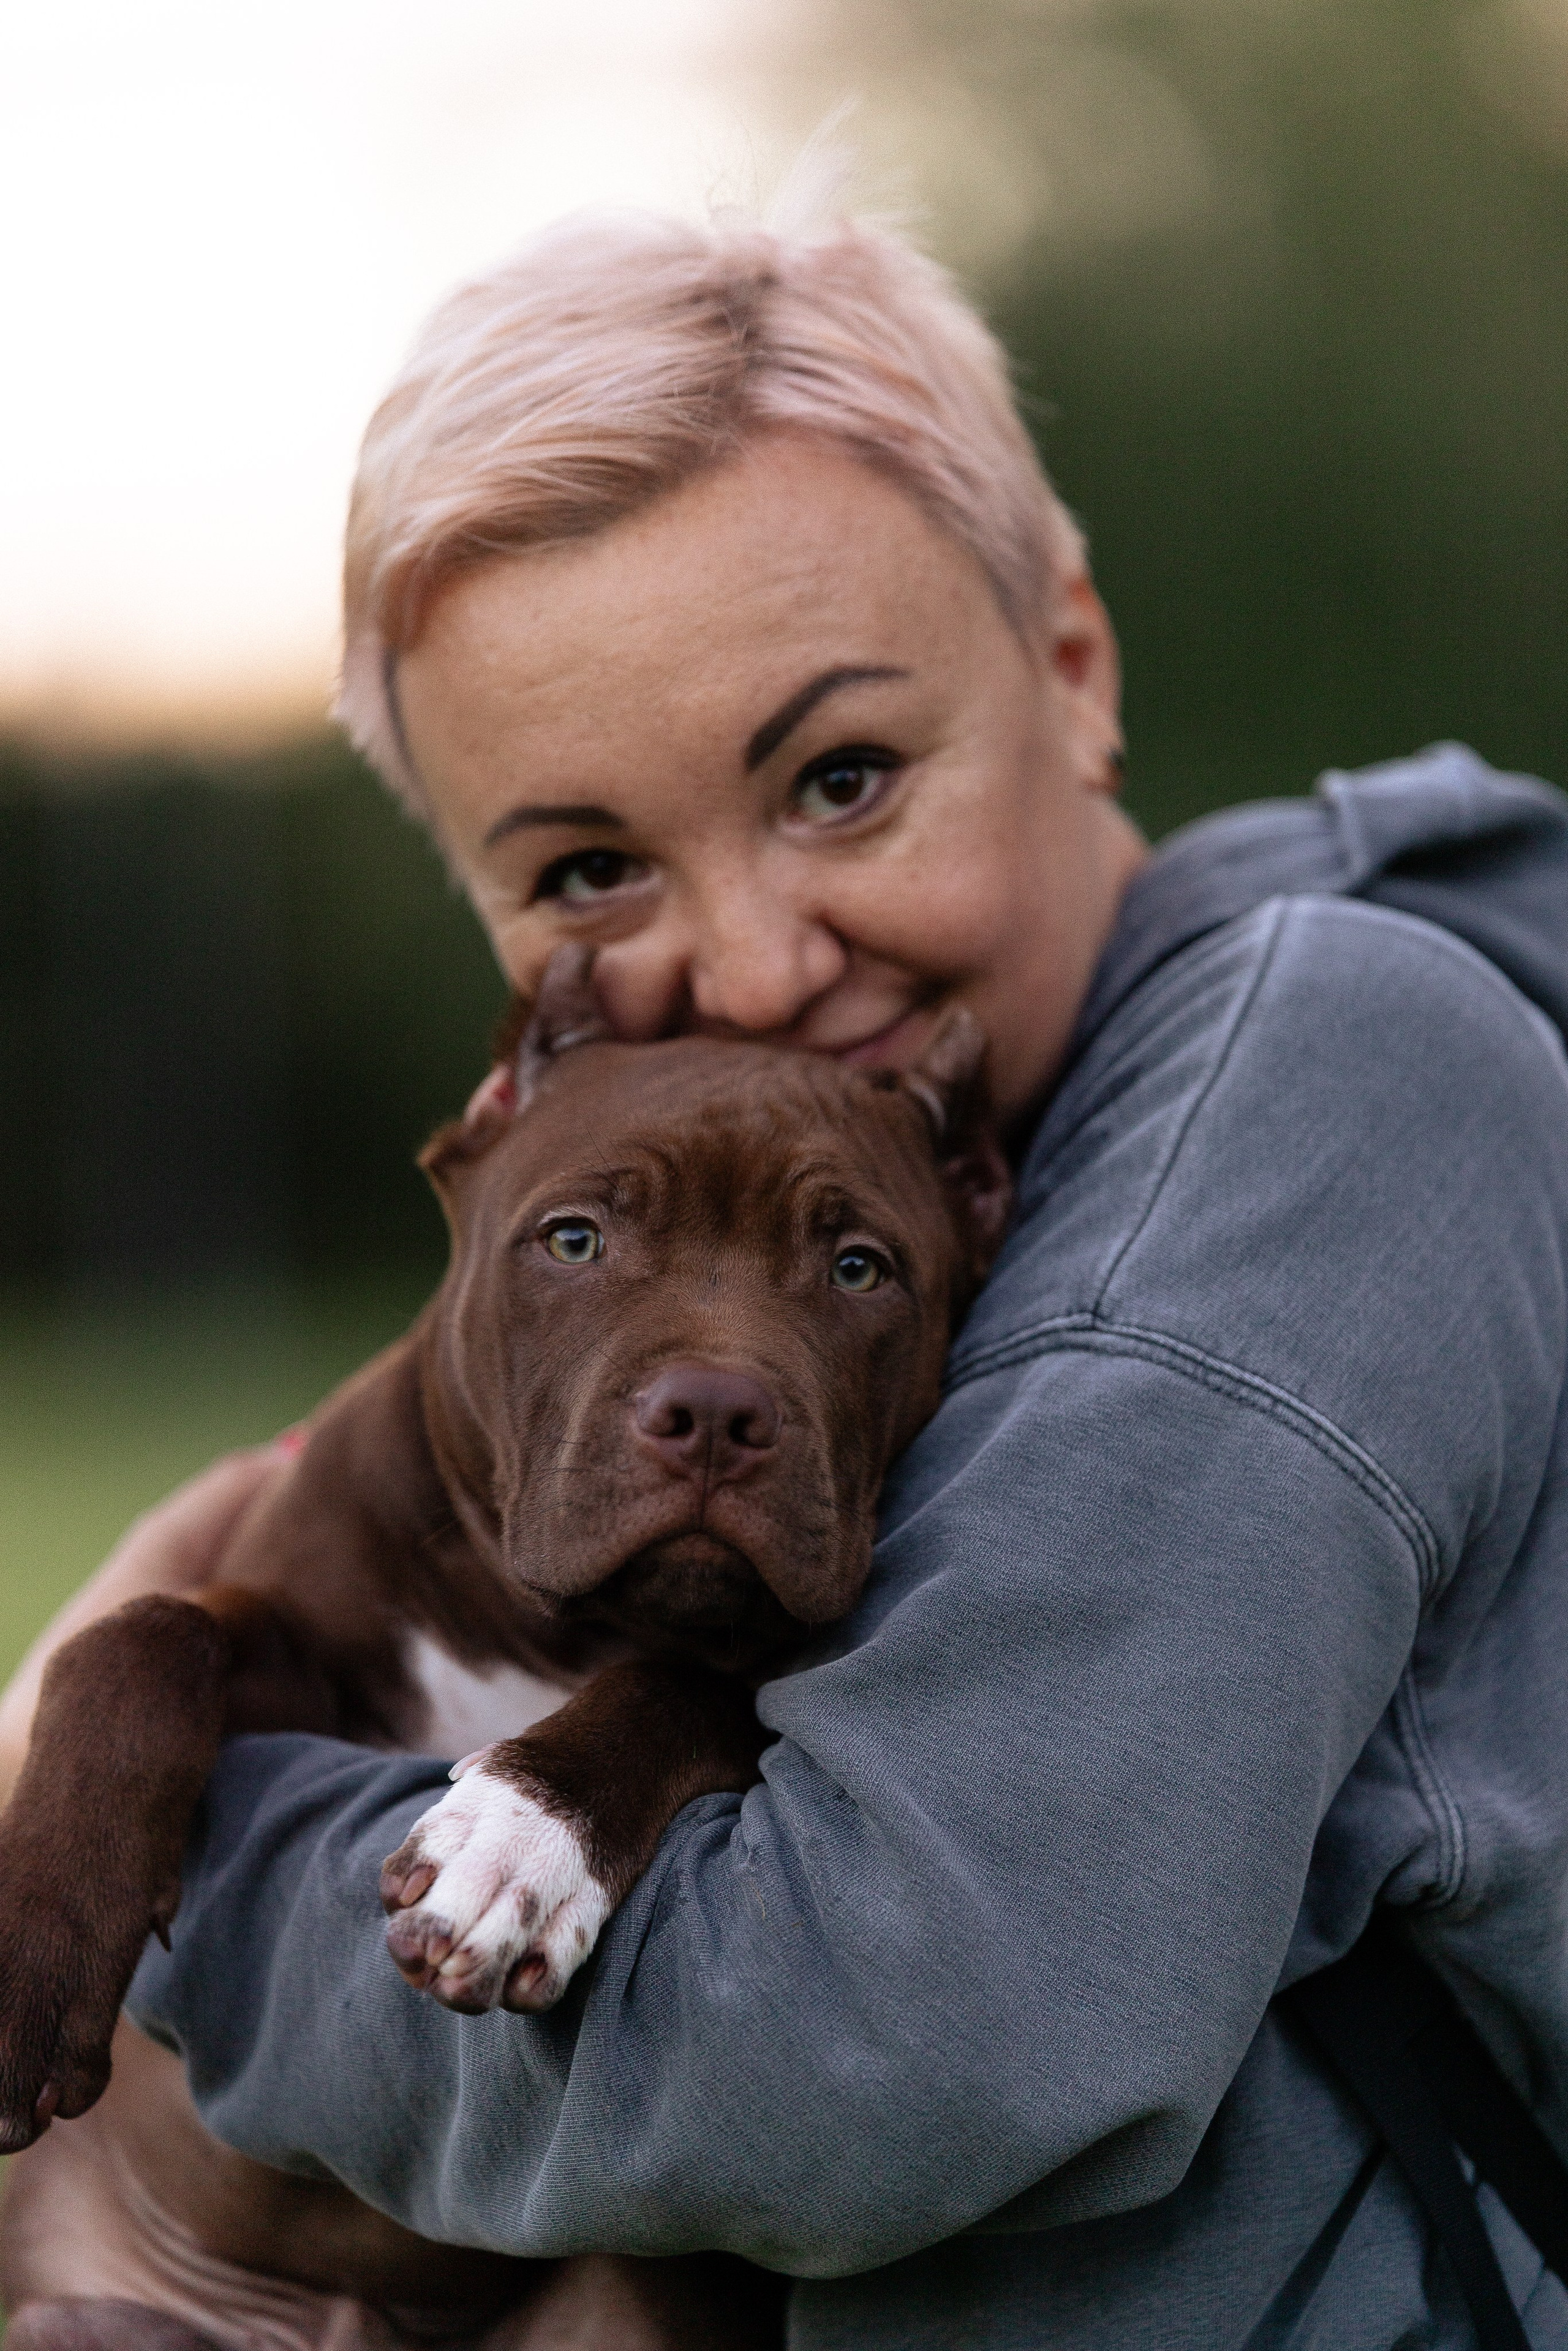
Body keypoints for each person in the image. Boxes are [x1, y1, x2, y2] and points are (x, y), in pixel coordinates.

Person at [7, 195, 1568, 2349]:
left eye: (842, 777)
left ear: (1077, 668)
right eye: (583, 866)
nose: (749, 966)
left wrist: (155, 1872)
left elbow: (857, 2050)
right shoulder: (915, 1134)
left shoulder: (1308, 1088)